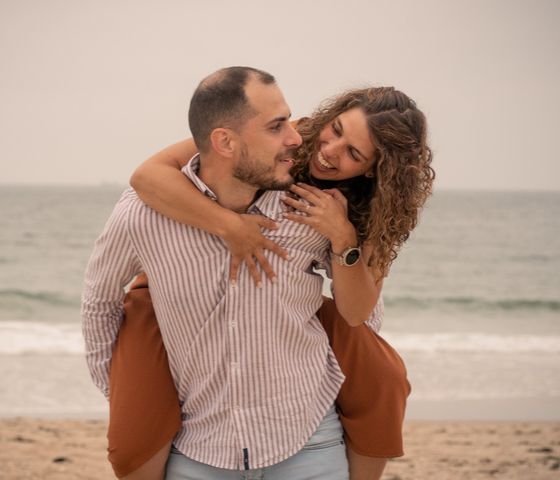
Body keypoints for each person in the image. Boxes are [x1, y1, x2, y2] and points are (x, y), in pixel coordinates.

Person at [82, 66, 410, 480]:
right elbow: (147, 179)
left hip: (307, 432)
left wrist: (344, 238)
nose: (328, 150)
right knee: (142, 313)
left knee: (384, 375)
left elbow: (361, 315)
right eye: (336, 130)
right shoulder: (289, 137)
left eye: (355, 154)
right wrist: (230, 226)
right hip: (199, 440)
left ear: (370, 171)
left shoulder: (347, 210)